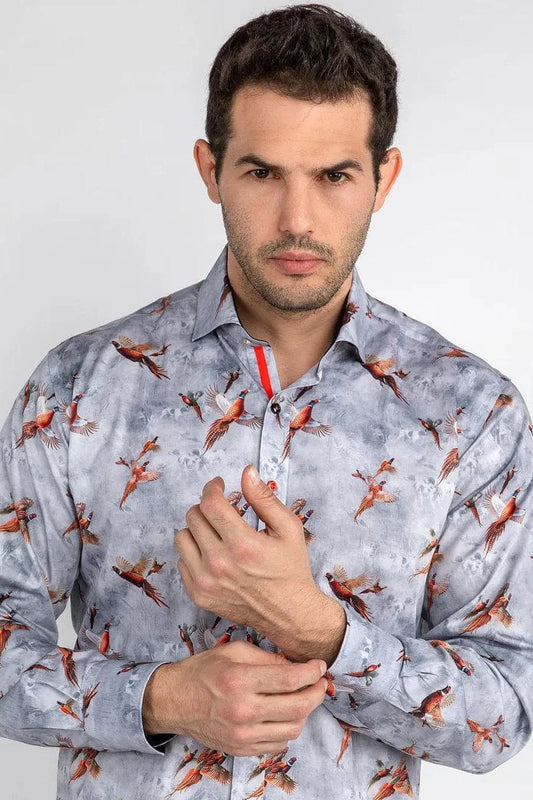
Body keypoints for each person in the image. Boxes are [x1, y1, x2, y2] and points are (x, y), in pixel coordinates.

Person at [0, 4, 532, 798]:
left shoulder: (470, 414)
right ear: (209, 168)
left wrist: (317, 629)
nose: (297, 220)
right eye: (261, 172)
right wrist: (162, 698)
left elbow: (505, 710)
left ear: (382, 178)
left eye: (333, 176)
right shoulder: (80, 386)